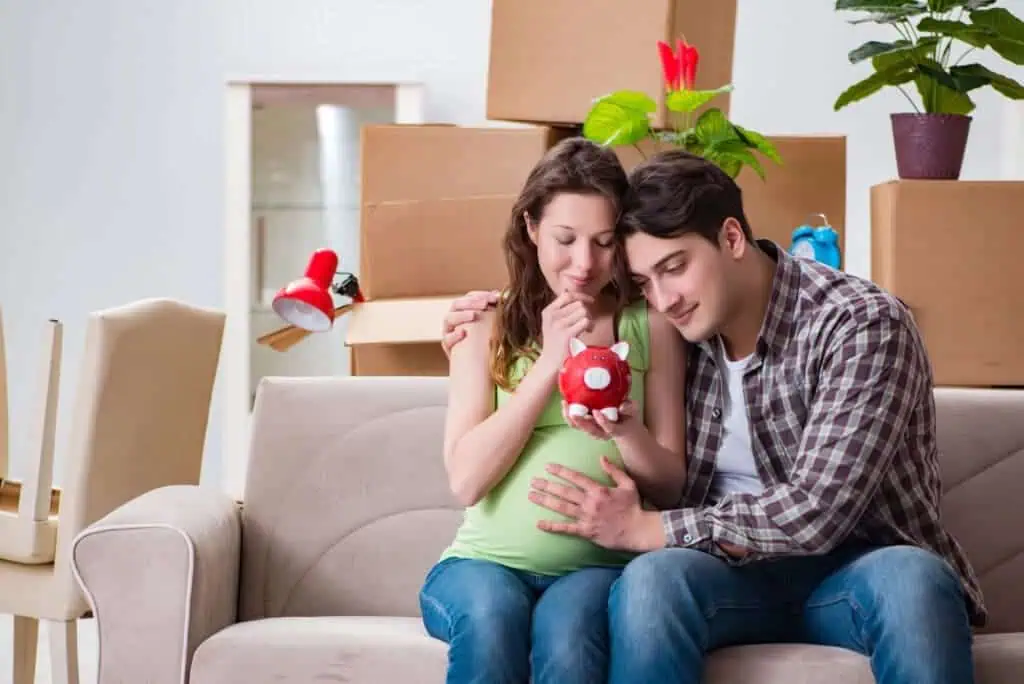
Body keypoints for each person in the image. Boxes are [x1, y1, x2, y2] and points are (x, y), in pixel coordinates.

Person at [440, 149, 985, 684]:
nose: (665, 298)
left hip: (854, 566)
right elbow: (574, 296)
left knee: (913, 579)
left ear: (730, 239)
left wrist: (648, 527)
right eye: (645, 280)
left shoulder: (858, 325)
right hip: (725, 576)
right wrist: (480, 312)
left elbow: (817, 512)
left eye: (674, 268)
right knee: (653, 579)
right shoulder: (674, 333)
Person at [421, 137, 688, 684]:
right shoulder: (483, 325)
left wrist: (627, 429)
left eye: (605, 242)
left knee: (569, 638)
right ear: (531, 228)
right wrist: (549, 364)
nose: (585, 264)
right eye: (566, 239)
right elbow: (466, 480)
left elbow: (672, 486)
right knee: (495, 618)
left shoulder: (650, 327)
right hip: (482, 566)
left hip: (595, 567)